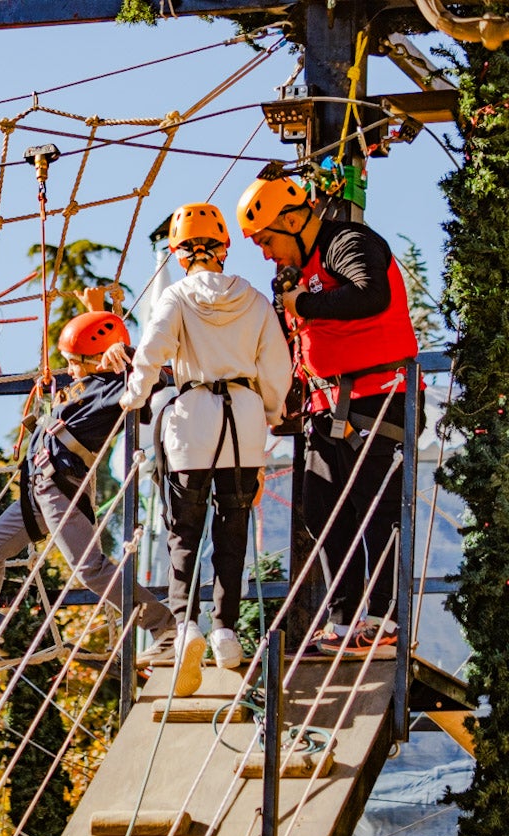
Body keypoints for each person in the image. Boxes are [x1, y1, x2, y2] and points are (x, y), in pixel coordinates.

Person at [109, 203, 291, 697]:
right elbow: (278, 366)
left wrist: (135, 395)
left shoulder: (177, 297)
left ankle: (187, 623)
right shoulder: (252, 299)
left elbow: (151, 351)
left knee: (183, 531)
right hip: (245, 423)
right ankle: (226, 631)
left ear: (179, 252)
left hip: (192, 424)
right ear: (223, 248)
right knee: (234, 529)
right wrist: (269, 412)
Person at [0, 307, 178, 668]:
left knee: (90, 569)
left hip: (62, 484)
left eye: (75, 361)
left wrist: (129, 354)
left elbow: (167, 377)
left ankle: (165, 627)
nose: (71, 368)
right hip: (38, 486)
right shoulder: (85, 384)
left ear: (99, 359)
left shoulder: (120, 384)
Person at [237, 176, 419, 657]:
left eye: (268, 240)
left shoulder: (348, 242)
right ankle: (343, 620)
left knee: (374, 509)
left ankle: (384, 620)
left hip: (377, 397)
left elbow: (370, 295)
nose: (266, 254)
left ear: (295, 221)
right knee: (321, 511)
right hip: (325, 406)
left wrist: (305, 304)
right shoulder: (295, 275)